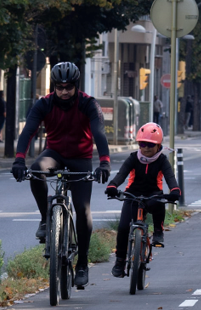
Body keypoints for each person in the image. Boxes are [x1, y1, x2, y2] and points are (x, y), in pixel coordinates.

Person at [11, 62, 110, 289]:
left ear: (76, 85)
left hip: (81, 158)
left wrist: (104, 162)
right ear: (53, 86)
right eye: (59, 87)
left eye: (68, 87)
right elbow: (28, 131)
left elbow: (98, 133)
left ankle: (82, 263)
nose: (64, 91)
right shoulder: (43, 104)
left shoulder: (88, 104)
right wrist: (18, 159)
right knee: (36, 169)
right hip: (54, 154)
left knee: (83, 209)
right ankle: (46, 219)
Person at [105, 122, 180, 278]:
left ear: (159, 146)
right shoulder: (133, 158)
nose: (146, 148)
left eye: (151, 145)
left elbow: (170, 178)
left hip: (153, 194)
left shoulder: (162, 160)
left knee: (160, 203)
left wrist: (174, 190)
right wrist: (112, 186)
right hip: (133, 194)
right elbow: (121, 174)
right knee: (124, 227)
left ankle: (158, 232)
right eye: (142, 144)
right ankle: (120, 261)